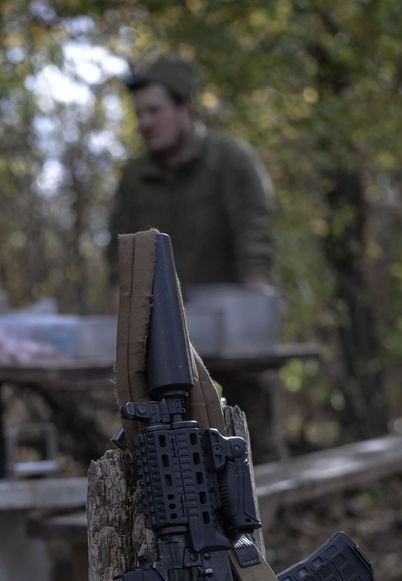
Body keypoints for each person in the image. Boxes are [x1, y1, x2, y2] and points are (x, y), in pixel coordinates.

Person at [108, 54, 285, 460]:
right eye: (139, 114)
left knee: (252, 434)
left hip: (231, 324)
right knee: (167, 441)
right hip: (163, 334)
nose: (146, 122)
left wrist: (254, 314)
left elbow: (255, 237)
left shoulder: (230, 160)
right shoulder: (135, 176)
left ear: (185, 108)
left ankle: (270, 516)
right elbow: (117, 255)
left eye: (155, 111)